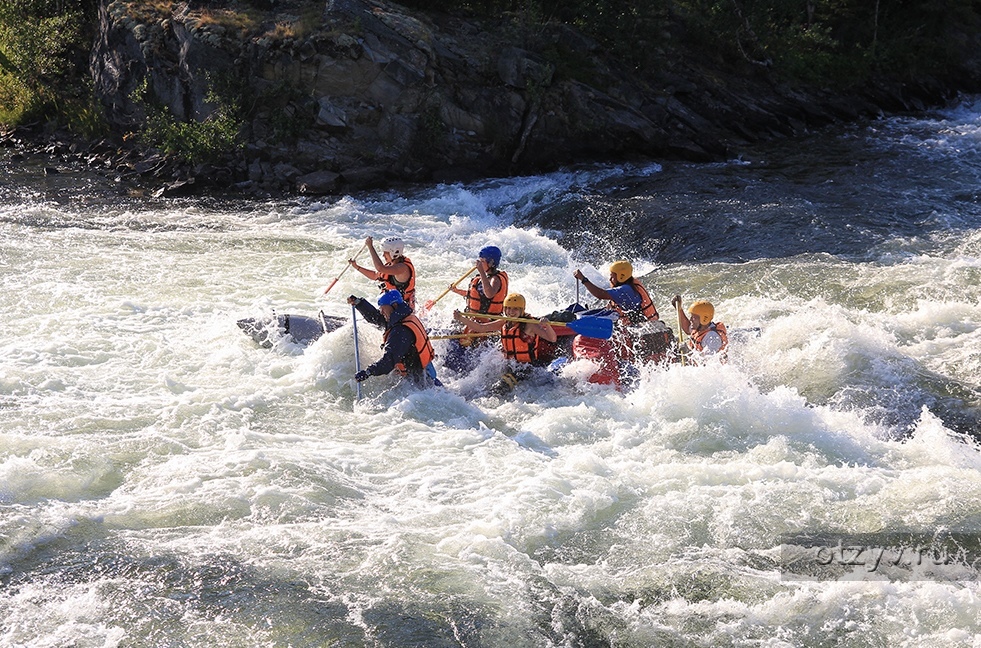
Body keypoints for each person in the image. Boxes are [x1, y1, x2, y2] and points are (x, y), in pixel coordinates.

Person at [572, 260, 673, 375]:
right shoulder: (629, 286)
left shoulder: (626, 291)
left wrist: (583, 279)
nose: (610, 279)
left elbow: (600, 294)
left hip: (641, 334)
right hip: (636, 330)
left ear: (621, 276)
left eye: (612, 276)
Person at [452, 293, 557, 393]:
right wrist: (461, 318)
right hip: (511, 364)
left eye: (515, 309)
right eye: (508, 308)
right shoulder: (504, 322)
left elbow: (552, 338)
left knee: (499, 388)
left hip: (527, 368)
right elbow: (481, 328)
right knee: (486, 381)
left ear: (522, 310)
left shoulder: (529, 325)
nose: (511, 312)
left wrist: (547, 326)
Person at [348, 289, 440, 386]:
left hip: (419, 383)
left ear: (394, 305)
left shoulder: (401, 331)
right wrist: (359, 303)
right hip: (423, 375)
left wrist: (368, 372)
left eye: (383, 308)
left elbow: (389, 360)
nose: (381, 312)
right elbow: (377, 317)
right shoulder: (400, 316)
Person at [348, 236, 417, 310]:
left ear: (393, 252)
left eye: (385, 253)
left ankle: (358, 303)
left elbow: (380, 268)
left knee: (373, 316)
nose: (383, 255)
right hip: (391, 307)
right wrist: (357, 267)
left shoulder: (402, 268)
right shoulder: (391, 265)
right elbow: (375, 275)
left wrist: (370, 247)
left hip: (402, 310)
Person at [672, 295, 728, 363]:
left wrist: (687, 353)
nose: (690, 319)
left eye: (693, 317)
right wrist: (679, 309)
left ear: (704, 319)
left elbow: (708, 363)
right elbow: (687, 328)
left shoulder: (712, 338)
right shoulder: (700, 328)